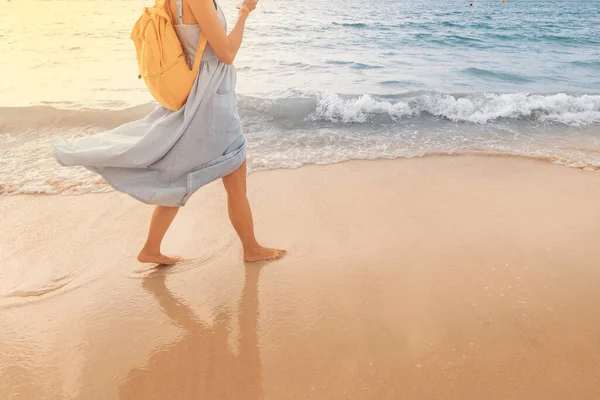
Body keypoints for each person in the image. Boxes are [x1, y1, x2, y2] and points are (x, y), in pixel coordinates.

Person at [54, 0, 286, 265]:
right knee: (233, 167)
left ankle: (152, 249)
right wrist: (245, 12)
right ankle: (251, 250)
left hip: (194, 92)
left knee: (183, 174)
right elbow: (227, 53)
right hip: (209, 98)